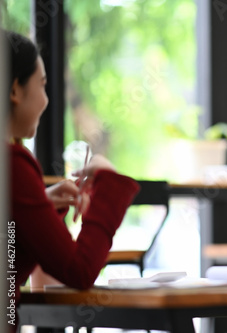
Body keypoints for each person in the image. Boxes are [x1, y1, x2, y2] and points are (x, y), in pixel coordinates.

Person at [4, 30, 140, 332]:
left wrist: (40, 207)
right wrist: (109, 181)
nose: (46, 99)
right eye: (41, 85)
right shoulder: (12, 163)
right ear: (15, 90)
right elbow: (79, 271)